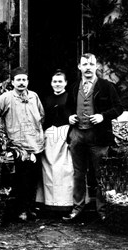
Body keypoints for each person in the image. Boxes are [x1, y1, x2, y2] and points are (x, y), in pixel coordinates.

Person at [0, 67, 45, 222]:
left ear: (28, 81)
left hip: (36, 145)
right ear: (13, 82)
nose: (21, 83)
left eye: (24, 80)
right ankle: (20, 210)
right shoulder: (6, 98)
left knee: (34, 179)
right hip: (19, 147)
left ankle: (30, 208)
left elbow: (42, 115)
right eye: (18, 80)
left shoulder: (34, 97)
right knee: (21, 180)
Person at [63, 53, 123, 222]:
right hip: (77, 135)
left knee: (100, 174)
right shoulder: (74, 87)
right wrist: (69, 117)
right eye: (85, 64)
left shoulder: (107, 87)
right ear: (79, 67)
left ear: (96, 66)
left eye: (91, 64)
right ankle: (77, 208)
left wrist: (103, 116)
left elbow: (119, 108)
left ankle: (102, 210)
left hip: (99, 137)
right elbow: (67, 108)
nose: (88, 67)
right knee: (78, 174)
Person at [38, 70, 73, 214]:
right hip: (50, 137)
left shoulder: (70, 98)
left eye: (60, 81)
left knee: (65, 169)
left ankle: (66, 204)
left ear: (65, 83)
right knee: (49, 170)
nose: (57, 84)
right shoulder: (47, 100)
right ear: (51, 83)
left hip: (66, 135)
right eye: (55, 82)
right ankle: (49, 204)